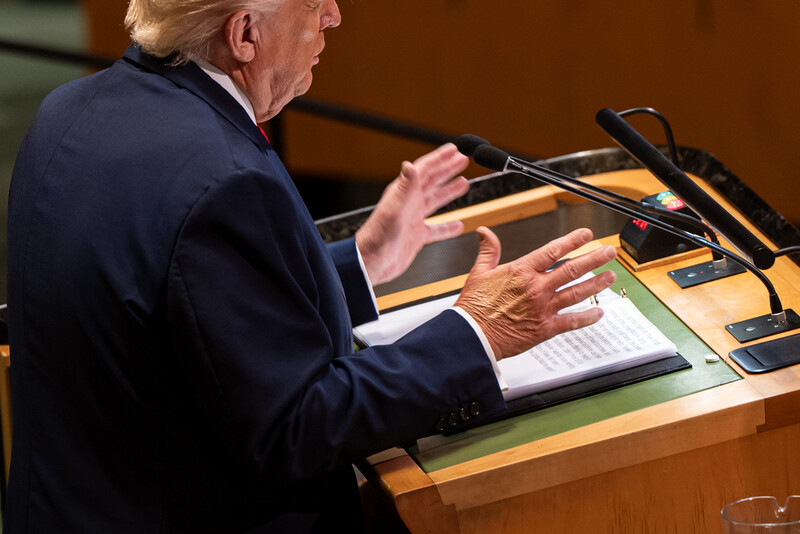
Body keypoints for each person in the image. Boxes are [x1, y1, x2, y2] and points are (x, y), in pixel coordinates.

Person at [4, 0, 617, 532]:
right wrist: (481, 330)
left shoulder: (68, 111)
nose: (334, 15)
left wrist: (360, 262)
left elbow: (185, 312)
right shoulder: (225, 179)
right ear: (245, 33)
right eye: (312, 3)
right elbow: (293, 428)